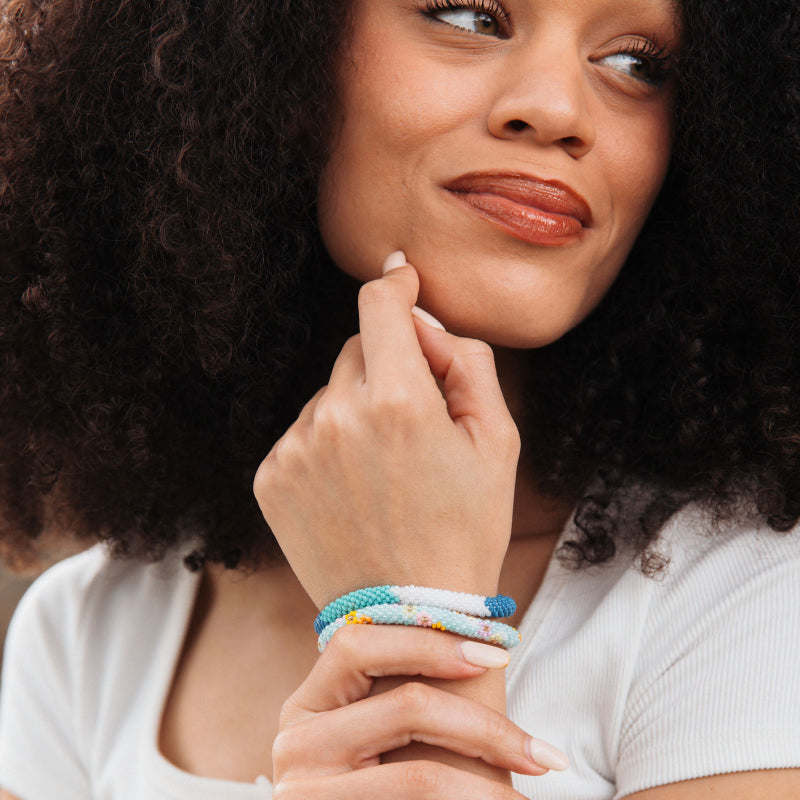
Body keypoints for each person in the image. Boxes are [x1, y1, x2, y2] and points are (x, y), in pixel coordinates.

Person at [0, 0, 798, 797]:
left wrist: (416, 610)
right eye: (471, 18)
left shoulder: (754, 595)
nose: (558, 111)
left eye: (637, 64)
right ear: (286, 56)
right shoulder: (85, 632)